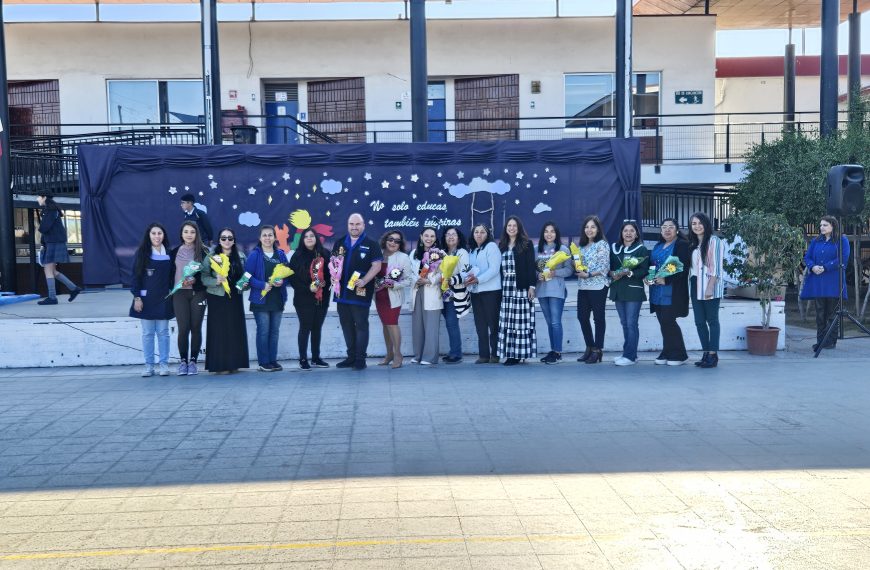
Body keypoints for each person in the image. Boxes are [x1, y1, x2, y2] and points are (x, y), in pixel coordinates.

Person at [332, 213, 383, 370]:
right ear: (348, 225)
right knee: (346, 325)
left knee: (361, 325)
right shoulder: (339, 243)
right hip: (342, 294)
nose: (354, 227)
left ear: (363, 225)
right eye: (351, 224)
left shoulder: (371, 244)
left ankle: (360, 359)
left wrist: (365, 280)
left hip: (360, 292)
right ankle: (351, 357)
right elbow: (334, 264)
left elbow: (377, 266)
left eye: (357, 224)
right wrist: (334, 277)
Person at [201, 227, 249, 374]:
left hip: (235, 297)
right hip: (217, 297)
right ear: (219, 240)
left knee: (234, 329)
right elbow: (203, 277)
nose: (227, 241)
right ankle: (219, 365)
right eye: (223, 238)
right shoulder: (211, 256)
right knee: (219, 331)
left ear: (234, 240)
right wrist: (215, 280)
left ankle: (234, 363)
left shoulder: (240, 256)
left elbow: (246, 277)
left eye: (230, 238)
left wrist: (245, 285)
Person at [129, 222, 174, 377]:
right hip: (145, 300)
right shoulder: (141, 253)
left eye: (159, 233)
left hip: (163, 299)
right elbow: (135, 277)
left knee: (163, 332)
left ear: (164, 236)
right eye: (154, 233)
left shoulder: (169, 253)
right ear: (149, 236)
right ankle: (149, 366)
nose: (157, 236)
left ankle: (164, 365)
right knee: (148, 333)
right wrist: (137, 297)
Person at [800, 215, 850, 352]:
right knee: (820, 313)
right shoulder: (816, 241)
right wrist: (812, 266)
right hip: (818, 281)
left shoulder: (842, 240)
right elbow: (807, 257)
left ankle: (830, 342)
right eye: (821, 225)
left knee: (832, 313)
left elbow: (843, 259)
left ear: (833, 226)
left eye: (825, 225)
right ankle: (820, 341)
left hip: (833, 282)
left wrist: (826, 267)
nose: (821, 227)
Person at [245, 224, 290, 372]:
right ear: (260, 238)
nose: (267, 238)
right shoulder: (254, 255)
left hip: (277, 299)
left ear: (275, 237)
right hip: (260, 299)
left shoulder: (281, 255)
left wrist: (283, 281)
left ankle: (272, 360)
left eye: (270, 235)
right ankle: (263, 362)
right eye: (264, 235)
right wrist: (261, 285)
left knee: (274, 331)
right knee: (263, 331)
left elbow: (288, 274)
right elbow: (247, 278)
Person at [648, 218, 691, 366]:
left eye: (671, 227)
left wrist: (666, 280)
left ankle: (680, 354)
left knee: (669, 321)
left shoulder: (682, 245)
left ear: (677, 230)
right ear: (661, 231)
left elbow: (683, 267)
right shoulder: (658, 245)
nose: (667, 229)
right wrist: (649, 277)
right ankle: (667, 351)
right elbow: (652, 265)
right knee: (663, 322)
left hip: (672, 290)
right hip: (656, 291)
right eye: (664, 227)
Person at [288, 228, 332, 371]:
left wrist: (326, 283)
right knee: (305, 328)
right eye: (306, 236)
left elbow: (332, 275)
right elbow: (292, 279)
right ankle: (303, 359)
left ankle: (316, 358)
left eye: (311, 236)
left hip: (322, 298)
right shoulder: (297, 256)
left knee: (317, 328)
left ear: (316, 238)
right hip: (303, 299)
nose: (309, 238)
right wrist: (308, 288)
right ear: (302, 239)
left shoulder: (325, 253)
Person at [170, 221, 210, 375]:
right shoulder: (174, 252)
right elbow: (170, 274)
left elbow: (207, 274)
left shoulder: (204, 252)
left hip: (198, 293)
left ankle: (193, 361)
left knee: (195, 327)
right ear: (181, 234)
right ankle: (183, 362)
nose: (189, 235)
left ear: (196, 234)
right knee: (183, 328)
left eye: (192, 232)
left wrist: (196, 280)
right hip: (180, 293)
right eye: (186, 231)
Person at [608, 220, 650, 366]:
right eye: (626, 230)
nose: (628, 233)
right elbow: (610, 267)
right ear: (621, 233)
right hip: (618, 290)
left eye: (632, 231)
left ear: (636, 233)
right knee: (624, 323)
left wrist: (629, 272)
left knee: (631, 324)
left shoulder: (641, 249)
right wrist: (612, 273)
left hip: (633, 291)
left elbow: (644, 270)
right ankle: (630, 353)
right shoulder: (614, 248)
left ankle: (630, 357)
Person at [688, 212, 727, 368]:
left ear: (706, 224)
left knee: (712, 320)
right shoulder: (692, 244)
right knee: (699, 321)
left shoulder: (714, 241)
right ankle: (705, 352)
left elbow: (716, 267)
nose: (697, 226)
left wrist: (710, 287)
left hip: (709, 283)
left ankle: (713, 354)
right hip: (694, 283)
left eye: (699, 223)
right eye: (693, 224)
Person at [497, 216, 537, 366]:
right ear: (506, 228)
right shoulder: (502, 245)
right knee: (508, 321)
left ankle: (518, 354)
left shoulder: (526, 244)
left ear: (519, 228)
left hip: (520, 287)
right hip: (506, 288)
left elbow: (530, 267)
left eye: (514, 225)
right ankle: (510, 353)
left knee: (520, 322)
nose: (511, 228)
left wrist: (531, 287)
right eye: (509, 225)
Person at [374, 230, 414, 369]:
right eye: (391, 239)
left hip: (393, 297)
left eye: (397, 241)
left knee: (392, 323)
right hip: (379, 297)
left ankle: (398, 354)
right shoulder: (377, 254)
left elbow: (409, 280)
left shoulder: (403, 257)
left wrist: (394, 284)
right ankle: (389, 354)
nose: (393, 243)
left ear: (400, 244)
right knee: (385, 325)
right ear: (385, 240)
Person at [535, 222, 573, 364]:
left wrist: (554, 272)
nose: (549, 234)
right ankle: (553, 350)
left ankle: (557, 353)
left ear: (556, 234)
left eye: (552, 231)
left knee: (556, 322)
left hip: (557, 291)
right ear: (542, 233)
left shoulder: (563, 249)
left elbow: (569, 270)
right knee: (549, 322)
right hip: (542, 290)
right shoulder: (536, 249)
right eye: (546, 231)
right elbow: (532, 269)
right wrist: (537, 275)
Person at [35, 193, 83, 305]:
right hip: (54, 243)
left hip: (53, 243)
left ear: (44, 197)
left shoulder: (50, 210)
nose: (37, 199)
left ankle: (52, 297)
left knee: (48, 270)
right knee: (53, 271)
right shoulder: (51, 209)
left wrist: (39, 226)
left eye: (38, 197)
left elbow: (44, 228)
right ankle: (74, 288)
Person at [575, 215, 610, 364]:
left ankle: (597, 350)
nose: (589, 230)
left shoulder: (602, 244)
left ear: (598, 229)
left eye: (593, 227)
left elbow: (604, 267)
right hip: (583, 286)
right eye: (587, 227)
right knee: (582, 317)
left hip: (598, 286)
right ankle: (589, 347)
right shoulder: (581, 247)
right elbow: (579, 265)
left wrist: (588, 274)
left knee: (598, 318)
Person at [466, 224, 502, 364]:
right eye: (476, 232)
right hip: (476, 292)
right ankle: (484, 355)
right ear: (473, 234)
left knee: (493, 324)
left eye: (482, 232)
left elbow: (494, 270)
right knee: (480, 324)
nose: (479, 234)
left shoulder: (491, 247)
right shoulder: (473, 251)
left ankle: (495, 354)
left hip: (491, 292)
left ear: (487, 235)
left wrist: (478, 279)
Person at [410, 227, 444, 365]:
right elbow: (408, 272)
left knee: (431, 327)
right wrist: (416, 280)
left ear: (435, 238)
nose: (429, 238)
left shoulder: (441, 254)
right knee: (417, 326)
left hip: (432, 291)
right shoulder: (413, 253)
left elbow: (444, 274)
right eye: (426, 235)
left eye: (432, 236)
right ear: (421, 237)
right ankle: (418, 355)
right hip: (417, 290)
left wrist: (430, 280)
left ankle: (430, 357)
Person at [440, 226, 471, 364]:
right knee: (449, 323)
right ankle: (453, 351)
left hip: (456, 293)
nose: (450, 237)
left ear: (458, 238)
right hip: (444, 293)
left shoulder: (462, 252)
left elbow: (466, 273)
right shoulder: (442, 253)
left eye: (454, 234)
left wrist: (451, 280)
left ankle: (456, 354)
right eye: (448, 234)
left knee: (452, 322)